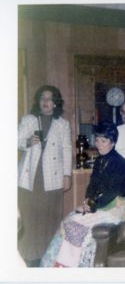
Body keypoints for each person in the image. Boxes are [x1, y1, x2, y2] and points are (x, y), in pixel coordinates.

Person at [40, 121, 125, 267]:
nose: (99, 144)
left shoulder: (118, 162)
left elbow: (113, 193)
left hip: (117, 206)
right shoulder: (99, 161)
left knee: (75, 224)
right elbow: (92, 186)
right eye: (97, 140)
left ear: (113, 142)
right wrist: (87, 202)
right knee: (69, 220)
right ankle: (60, 264)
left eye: (104, 141)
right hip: (103, 203)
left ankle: (71, 266)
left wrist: (91, 207)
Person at [18, 85, 72, 267]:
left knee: (50, 219)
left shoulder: (62, 124)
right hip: (30, 178)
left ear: (56, 103)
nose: (45, 102)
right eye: (42, 98)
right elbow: (15, 140)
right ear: (38, 101)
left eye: (49, 99)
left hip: (52, 178)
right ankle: (29, 258)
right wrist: (27, 141)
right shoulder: (29, 120)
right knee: (29, 218)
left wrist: (67, 175)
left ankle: (48, 257)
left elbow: (67, 149)